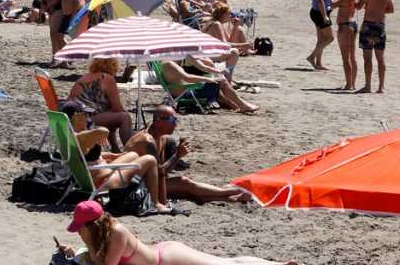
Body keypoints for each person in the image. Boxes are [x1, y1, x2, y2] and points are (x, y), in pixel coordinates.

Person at [57, 201, 297, 265]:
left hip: (167, 259)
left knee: (226, 264)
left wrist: (84, 249)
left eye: (80, 229)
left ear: (92, 226)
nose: (79, 232)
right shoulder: (103, 232)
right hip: (161, 251)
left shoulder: (117, 232)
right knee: (226, 262)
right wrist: (75, 251)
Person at [125, 106, 253, 203]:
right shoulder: (147, 140)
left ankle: (228, 198)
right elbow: (159, 173)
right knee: (184, 183)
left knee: (185, 190)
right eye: (172, 120)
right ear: (158, 121)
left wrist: (177, 156)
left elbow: (162, 172)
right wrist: (177, 155)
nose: (175, 123)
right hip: (133, 186)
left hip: (148, 182)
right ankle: (228, 192)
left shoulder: (162, 137)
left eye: (176, 119)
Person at [66, 58, 132, 152]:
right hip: (83, 120)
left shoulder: (86, 76)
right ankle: (131, 149)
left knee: (111, 114)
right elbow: (117, 108)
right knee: (124, 117)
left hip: (70, 119)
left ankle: (115, 148)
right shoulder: (107, 78)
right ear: (113, 65)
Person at [160, 60, 259, 113]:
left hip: (181, 92)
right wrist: (206, 79)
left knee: (217, 80)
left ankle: (236, 105)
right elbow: (187, 78)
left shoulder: (165, 63)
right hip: (186, 94)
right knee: (222, 82)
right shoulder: (170, 64)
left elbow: (184, 78)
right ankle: (242, 105)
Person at [355, 0, 394, 94]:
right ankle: (381, 87)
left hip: (368, 25)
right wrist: (379, 10)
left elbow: (358, 6)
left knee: (367, 57)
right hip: (380, 25)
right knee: (380, 58)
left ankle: (368, 86)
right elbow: (391, 9)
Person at [332, 0, 358, 90]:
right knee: (352, 56)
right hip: (353, 24)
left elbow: (333, 4)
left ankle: (348, 84)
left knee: (345, 57)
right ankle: (353, 83)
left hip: (345, 26)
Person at [307, 0, 334, 71]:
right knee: (330, 38)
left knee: (321, 39)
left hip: (318, 12)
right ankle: (312, 57)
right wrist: (324, 16)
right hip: (320, 13)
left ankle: (318, 63)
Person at [41, 0, 66, 65]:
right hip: (50, 8)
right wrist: (43, 6)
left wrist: (48, 6)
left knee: (54, 34)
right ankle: (67, 56)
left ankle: (56, 58)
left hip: (58, 8)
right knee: (57, 36)